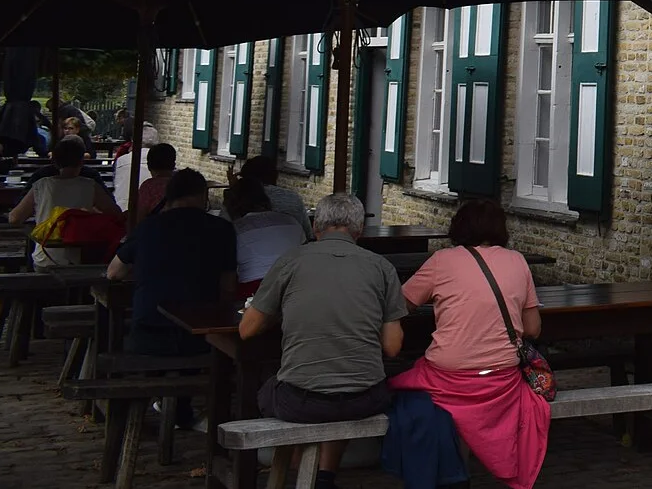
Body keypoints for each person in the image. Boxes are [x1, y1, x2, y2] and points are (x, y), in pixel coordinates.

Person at [239, 193, 406, 489]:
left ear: (316, 226)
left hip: (300, 402)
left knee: (271, 387)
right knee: (342, 380)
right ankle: (325, 476)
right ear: (359, 231)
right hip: (365, 398)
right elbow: (392, 347)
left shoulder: (291, 259)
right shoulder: (382, 268)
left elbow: (247, 330)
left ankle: (298, 470)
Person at [389, 199, 549, 489]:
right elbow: (533, 328)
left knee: (398, 388)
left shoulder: (442, 261)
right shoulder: (517, 261)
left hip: (446, 379)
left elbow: (399, 305)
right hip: (500, 382)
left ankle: (443, 471)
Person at [107, 169, 237, 358]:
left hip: (148, 332)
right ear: (203, 196)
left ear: (168, 197)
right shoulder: (223, 230)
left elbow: (113, 273)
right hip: (201, 336)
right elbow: (228, 286)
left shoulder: (148, 227)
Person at [8, 134, 120, 267]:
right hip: (81, 259)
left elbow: (14, 218)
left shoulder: (42, 184)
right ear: (81, 161)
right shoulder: (91, 185)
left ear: (54, 161)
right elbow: (115, 213)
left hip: (45, 258)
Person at [222, 172, 304, 297]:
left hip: (255, 288)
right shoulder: (291, 221)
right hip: (295, 284)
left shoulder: (235, 229)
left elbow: (227, 270)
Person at [241, 153, 314, 239]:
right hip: (293, 248)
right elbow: (308, 234)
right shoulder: (294, 198)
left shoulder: (239, 199)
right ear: (275, 175)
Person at [128, 141, 179, 217]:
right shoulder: (181, 184)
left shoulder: (148, 187)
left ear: (149, 166)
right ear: (173, 164)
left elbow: (140, 215)